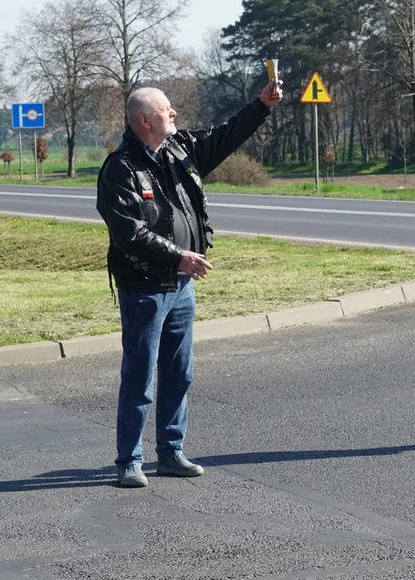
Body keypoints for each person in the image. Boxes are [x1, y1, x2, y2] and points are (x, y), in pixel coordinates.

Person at [96, 78, 283, 487]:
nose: (174, 114)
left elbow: (225, 135)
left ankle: (171, 452)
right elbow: (128, 233)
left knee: (179, 372)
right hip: (145, 287)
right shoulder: (121, 168)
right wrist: (178, 256)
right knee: (140, 376)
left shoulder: (180, 149)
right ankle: (130, 460)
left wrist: (262, 105)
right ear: (146, 119)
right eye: (167, 109)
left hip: (181, 287)